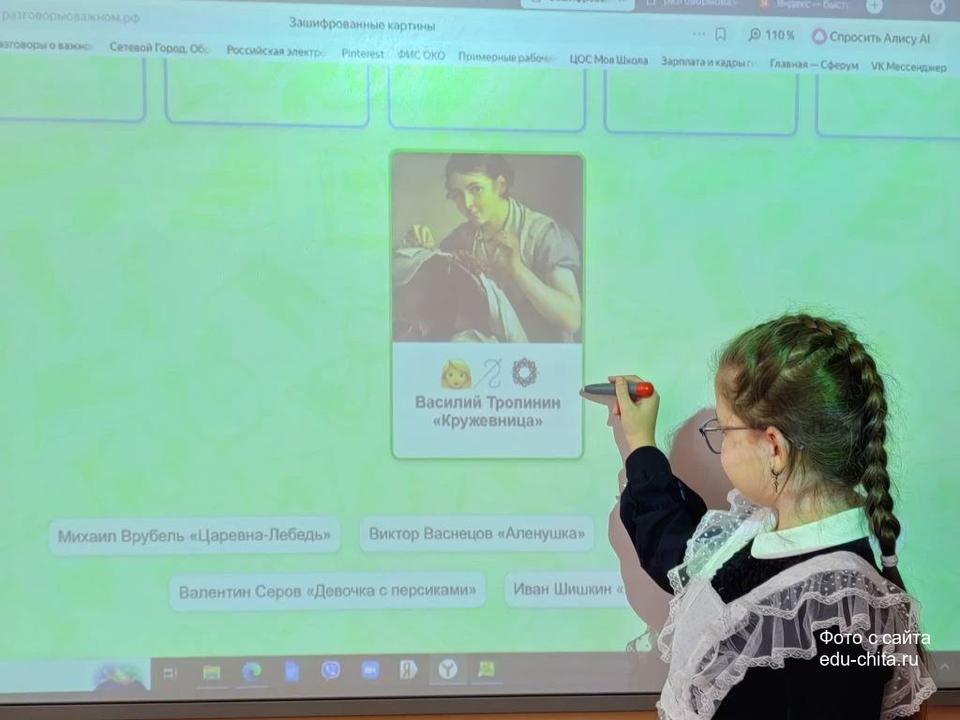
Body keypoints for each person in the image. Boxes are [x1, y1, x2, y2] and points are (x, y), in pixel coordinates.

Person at [612, 313, 935, 720]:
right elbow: (681, 552)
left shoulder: (834, 613)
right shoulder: (770, 529)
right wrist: (641, 443)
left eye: (724, 429)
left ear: (774, 448)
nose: (721, 441)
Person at [405, 154, 581, 342]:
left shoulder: (544, 233)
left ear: (500, 185)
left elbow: (572, 320)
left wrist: (518, 271)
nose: (467, 204)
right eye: (457, 195)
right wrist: (421, 251)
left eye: (476, 189)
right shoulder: (461, 238)